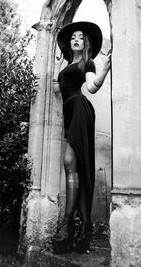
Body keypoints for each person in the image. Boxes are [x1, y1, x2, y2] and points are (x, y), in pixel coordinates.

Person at [52, 21, 111, 254]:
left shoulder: (86, 63)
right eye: (73, 37)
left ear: (86, 43)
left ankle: (67, 225)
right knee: (74, 168)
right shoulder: (67, 65)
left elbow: (92, 87)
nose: (76, 39)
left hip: (79, 108)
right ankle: (84, 226)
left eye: (80, 37)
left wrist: (103, 72)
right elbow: (58, 90)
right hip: (69, 111)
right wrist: (55, 69)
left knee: (69, 162)